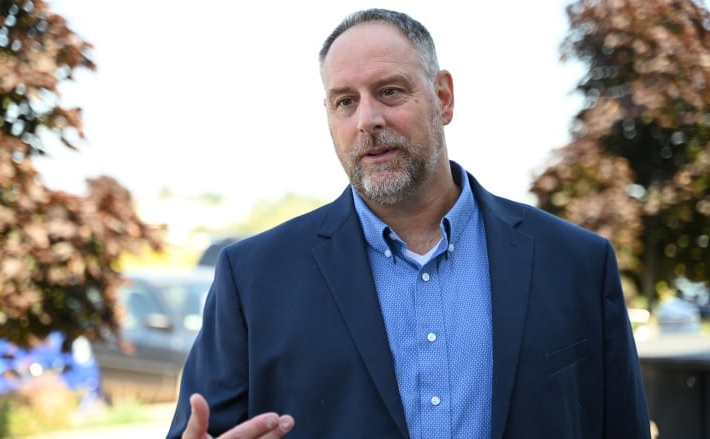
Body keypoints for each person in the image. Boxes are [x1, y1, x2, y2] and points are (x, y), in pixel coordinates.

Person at [167, 8, 651, 439]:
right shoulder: (252, 278)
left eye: (389, 91)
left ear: (442, 97)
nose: (367, 119)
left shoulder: (577, 264)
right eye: (345, 102)